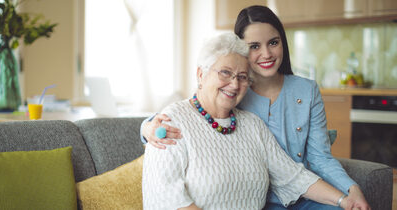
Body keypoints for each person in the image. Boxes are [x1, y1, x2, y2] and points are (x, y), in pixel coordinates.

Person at [141, 6, 370, 210]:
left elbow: (302, 169)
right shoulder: (192, 114)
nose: (234, 84)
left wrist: (346, 195)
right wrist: (146, 127)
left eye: (273, 42)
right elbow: (186, 119)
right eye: (254, 46)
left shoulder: (259, 118)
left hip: (297, 195)